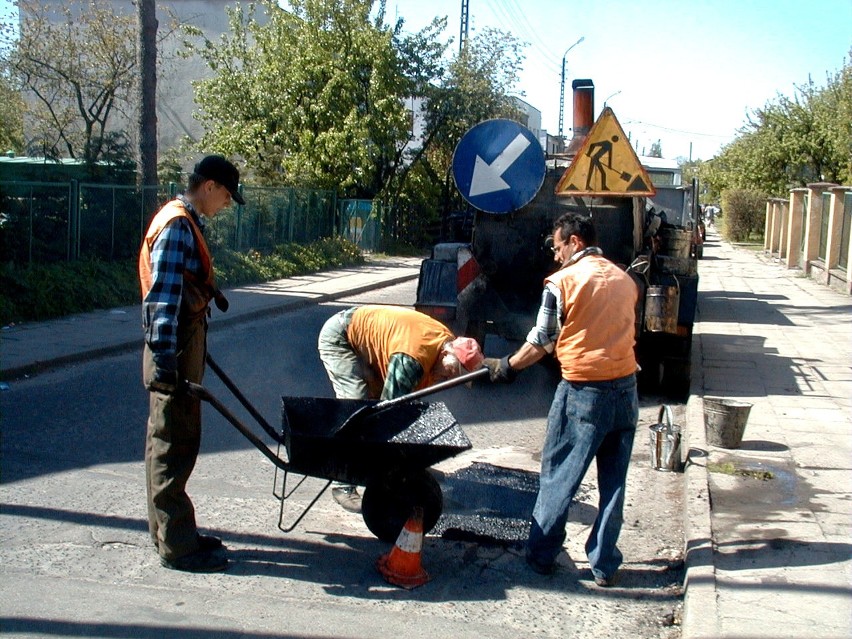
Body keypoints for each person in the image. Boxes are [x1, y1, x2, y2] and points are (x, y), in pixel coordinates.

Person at [485, 212, 639, 587]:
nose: (555, 256)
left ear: (575, 243)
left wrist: (506, 366)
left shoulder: (563, 282)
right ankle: (604, 564)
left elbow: (541, 339)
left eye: (557, 247)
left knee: (558, 475)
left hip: (584, 393)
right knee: (614, 483)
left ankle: (541, 555)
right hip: (627, 389)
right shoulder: (624, 278)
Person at [139, 155, 245, 573]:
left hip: (180, 350)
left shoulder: (182, 221)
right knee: (173, 447)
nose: (225, 204)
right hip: (173, 356)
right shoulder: (178, 226)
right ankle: (178, 548)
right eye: (226, 196)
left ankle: (172, 533)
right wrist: (167, 361)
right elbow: (163, 298)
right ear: (210, 186)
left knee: (168, 445)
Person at [318, 304, 485, 512]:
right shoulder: (413, 358)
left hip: (372, 342)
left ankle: (397, 468)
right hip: (342, 337)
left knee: (391, 410)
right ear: (445, 354)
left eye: (457, 377)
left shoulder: (443, 344)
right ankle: (342, 483)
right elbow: (388, 411)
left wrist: (412, 467)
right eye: (452, 371)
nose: (450, 378)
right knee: (358, 406)